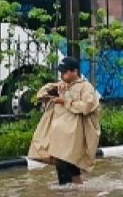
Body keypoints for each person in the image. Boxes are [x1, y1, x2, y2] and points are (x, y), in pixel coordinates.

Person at [28, 57, 101, 187]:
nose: (62, 75)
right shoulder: (61, 86)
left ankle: (73, 196)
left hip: (74, 135)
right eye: (61, 72)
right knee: (61, 164)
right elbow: (40, 95)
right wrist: (54, 87)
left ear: (75, 71)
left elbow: (87, 106)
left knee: (70, 165)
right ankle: (67, 196)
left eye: (65, 72)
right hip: (59, 136)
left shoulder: (86, 87)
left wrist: (64, 100)